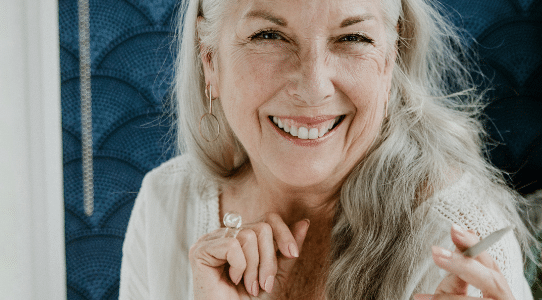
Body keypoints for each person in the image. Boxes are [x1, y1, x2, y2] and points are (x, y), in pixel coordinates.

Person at [118, 0, 539, 298]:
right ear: (210, 59)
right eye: (269, 35)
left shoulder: (460, 250)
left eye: (352, 37)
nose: (314, 86)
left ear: (390, 60)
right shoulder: (164, 203)